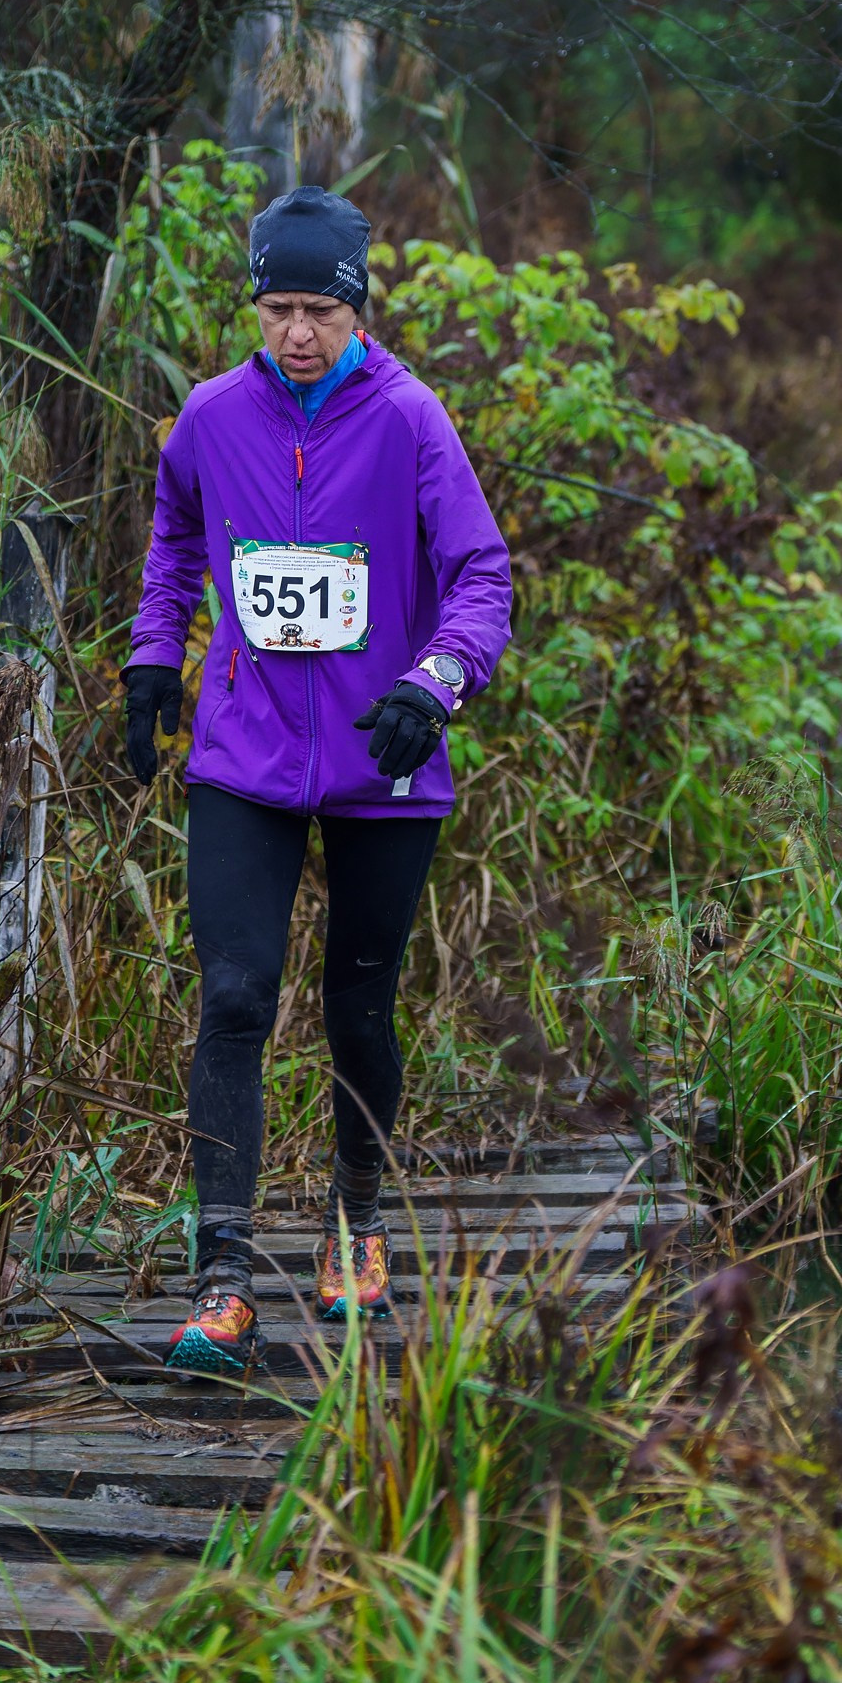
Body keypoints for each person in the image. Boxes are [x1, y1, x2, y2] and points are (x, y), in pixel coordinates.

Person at [121, 184, 512, 1376]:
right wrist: (151, 664)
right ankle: (224, 1279)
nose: (297, 332)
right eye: (278, 307)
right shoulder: (209, 416)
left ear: (357, 307)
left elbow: (481, 575)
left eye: (319, 310)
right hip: (241, 760)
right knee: (235, 995)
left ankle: (356, 1226)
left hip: (382, 763)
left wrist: (432, 685)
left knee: (357, 1005)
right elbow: (175, 542)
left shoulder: (407, 418)